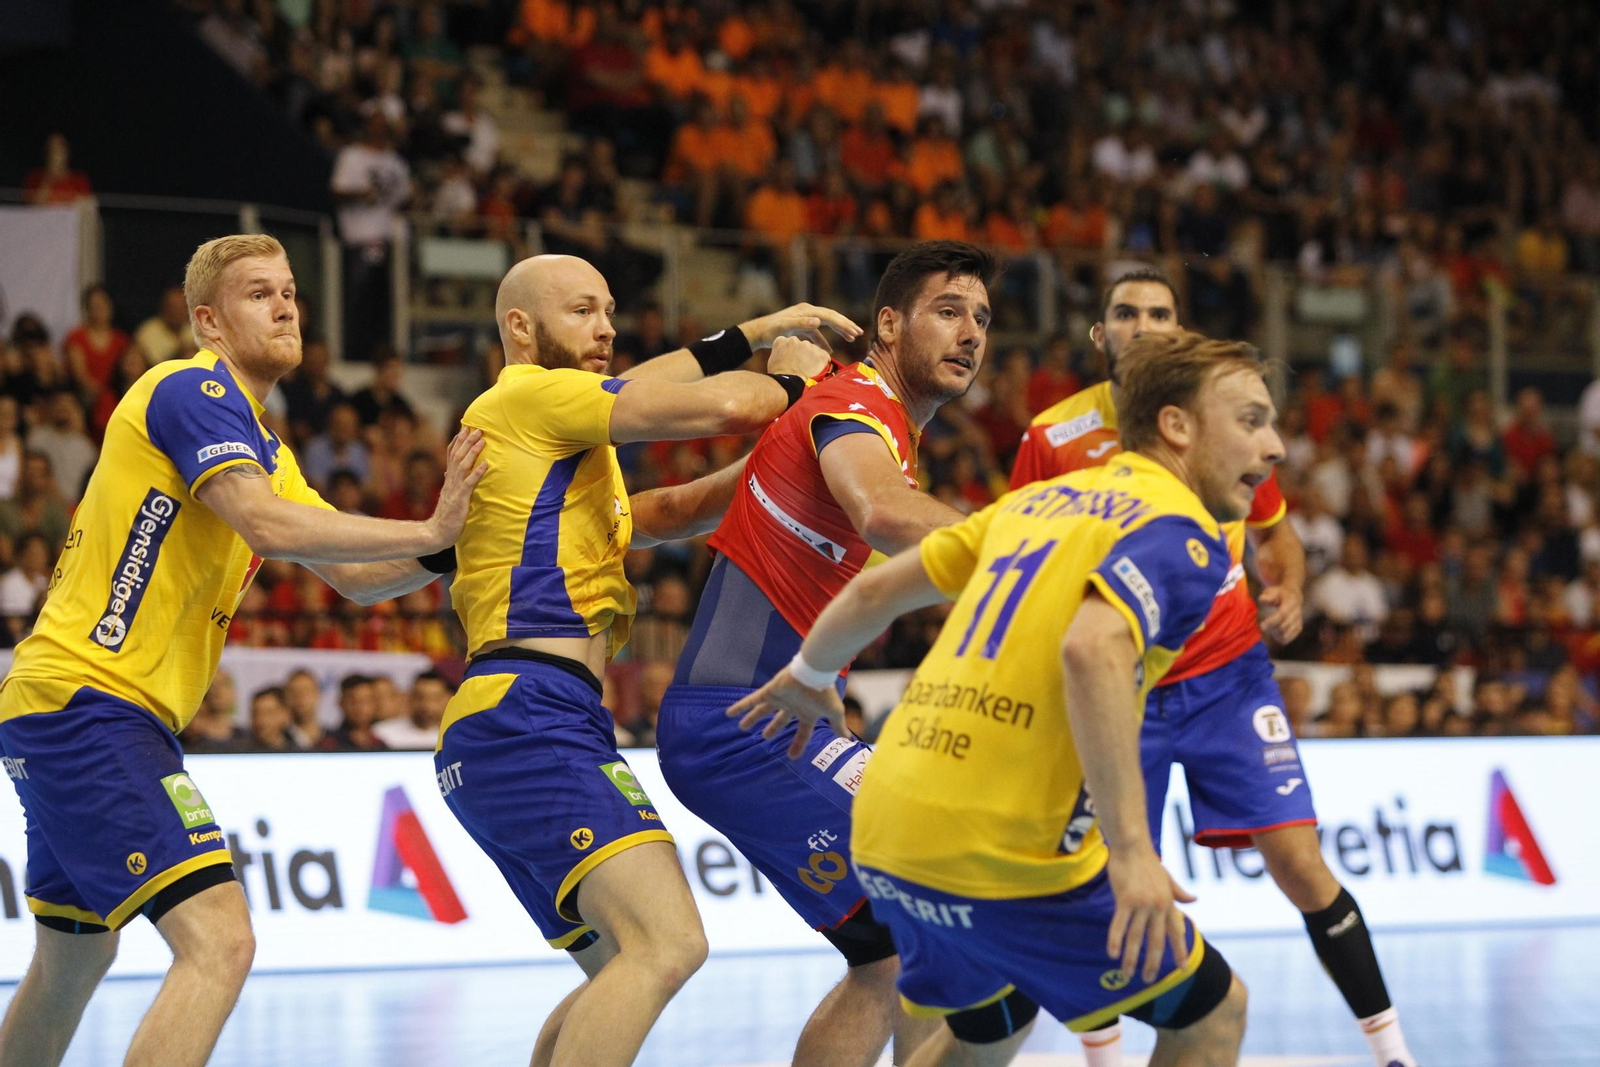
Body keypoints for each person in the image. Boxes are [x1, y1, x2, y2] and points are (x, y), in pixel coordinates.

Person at [0, 232, 484, 1067]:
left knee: (73, 960)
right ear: (208, 322)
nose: (287, 303)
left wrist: (458, 542)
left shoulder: (264, 446)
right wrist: (431, 524)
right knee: (220, 942)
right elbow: (265, 523)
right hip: (91, 702)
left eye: (290, 289)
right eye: (259, 293)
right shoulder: (191, 388)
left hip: (78, 707)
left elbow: (358, 575)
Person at [732, 330, 1277, 1067]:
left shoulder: (1046, 501)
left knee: (993, 1024)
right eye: (1251, 420)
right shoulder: (1183, 532)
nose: (1273, 446)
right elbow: (1093, 648)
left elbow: (878, 588)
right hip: (1003, 849)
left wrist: (809, 675)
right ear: (1176, 426)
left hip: (891, 824)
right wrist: (1131, 850)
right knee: (1214, 1014)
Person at [435, 251, 854, 1067]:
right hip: (528, 712)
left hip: (522, 719)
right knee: (668, 945)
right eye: (584, 311)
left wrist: (755, 337)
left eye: (611, 310)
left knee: (616, 967)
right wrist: (797, 382)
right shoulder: (530, 393)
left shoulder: (563, 457)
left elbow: (680, 503)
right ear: (521, 328)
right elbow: (726, 403)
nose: (608, 329)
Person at [1010, 268, 1415, 1067]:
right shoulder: (1053, 438)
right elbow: (1021, 559)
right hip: (1122, 691)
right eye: (1126, 312)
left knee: (1302, 864)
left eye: (1161, 313)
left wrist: (1290, 584)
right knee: (1111, 888)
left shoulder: (1218, 421)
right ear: (1101, 335)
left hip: (1231, 678)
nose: (1145, 325)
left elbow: (1275, 531)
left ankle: (1396, 1054)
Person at [656, 241, 997, 1067]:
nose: (971, 334)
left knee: (894, 950)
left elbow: (683, 505)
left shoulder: (836, 417)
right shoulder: (856, 408)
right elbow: (882, 513)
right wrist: (1036, 546)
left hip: (768, 724)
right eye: (948, 311)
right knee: (945, 905)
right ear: (888, 323)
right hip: (739, 726)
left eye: (982, 319)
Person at [372, 670, 455, 749]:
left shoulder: (455, 737)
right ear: (409, 698)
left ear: (447, 699)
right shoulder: (383, 734)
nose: (426, 704)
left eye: (435, 698)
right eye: (420, 697)